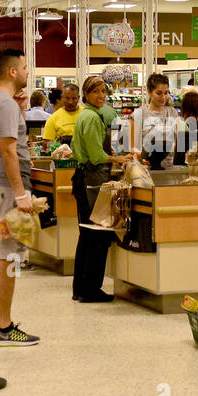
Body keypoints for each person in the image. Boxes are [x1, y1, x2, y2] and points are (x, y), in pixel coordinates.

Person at [0, 49, 40, 346]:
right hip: (7, 189)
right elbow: (8, 149)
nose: (28, 72)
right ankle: (5, 326)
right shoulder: (5, 104)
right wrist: (20, 193)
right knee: (10, 256)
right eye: (25, 67)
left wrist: (21, 111)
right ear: (12, 71)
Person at [71, 75, 134, 302]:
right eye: (96, 92)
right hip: (92, 179)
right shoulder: (92, 118)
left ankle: (80, 288)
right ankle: (91, 290)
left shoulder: (86, 115)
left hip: (85, 178)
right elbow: (97, 156)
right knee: (97, 236)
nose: (101, 96)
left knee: (86, 235)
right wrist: (119, 159)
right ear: (86, 95)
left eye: (104, 92)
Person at [131, 74, 178, 170]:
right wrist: (143, 157)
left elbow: (178, 142)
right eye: (159, 93)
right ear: (149, 92)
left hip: (169, 169)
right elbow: (132, 147)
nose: (163, 97)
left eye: (166, 93)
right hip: (146, 171)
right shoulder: (138, 115)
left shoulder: (173, 113)